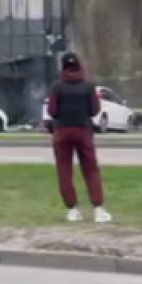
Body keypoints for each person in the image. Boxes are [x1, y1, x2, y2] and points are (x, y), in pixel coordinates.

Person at [45, 52, 111, 223]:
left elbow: (52, 110)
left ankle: (72, 210)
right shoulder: (88, 86)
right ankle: (98, 209)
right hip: (83, 130)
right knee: (90, 169)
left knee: (65, 170)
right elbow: (95, 109)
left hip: (62, 131)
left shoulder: (57, 87)